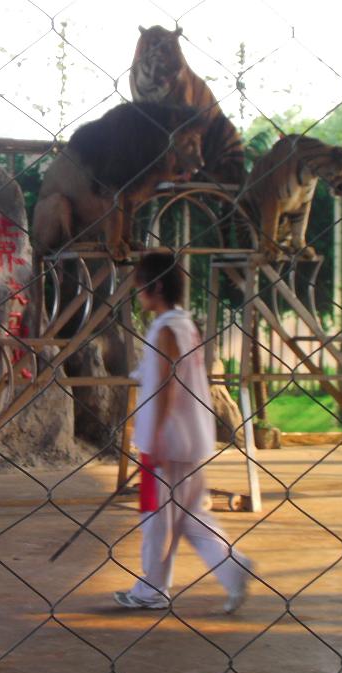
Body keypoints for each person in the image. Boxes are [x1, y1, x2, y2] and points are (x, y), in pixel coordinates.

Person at [114, 252, 254, 613]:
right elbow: (161, 373)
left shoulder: (164, 329)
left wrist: (157, 435)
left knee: (156, 516)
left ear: (156, 286)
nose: (137, 294)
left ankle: (152, 590)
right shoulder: (183, 323)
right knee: (190, 515)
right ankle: (233, 568)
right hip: (190, 438)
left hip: (167, 441)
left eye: (140, 287)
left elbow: (165, 384)